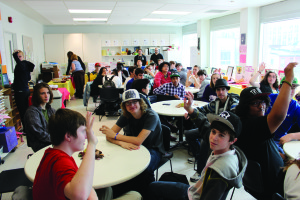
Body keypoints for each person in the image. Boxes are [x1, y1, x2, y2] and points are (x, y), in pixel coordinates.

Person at [147, 105, 247, 200]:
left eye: (221, 135)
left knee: (152, 187)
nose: (214, 138)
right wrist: (191, 110)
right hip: (196, 190)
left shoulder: (220, 171)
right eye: (213, 131)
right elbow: (204, 126)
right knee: (164, 180)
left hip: (194, 196)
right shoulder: (226, 148)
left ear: (232, 141)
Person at [234, 62, 298, 199]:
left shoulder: (242, 121)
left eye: (263, 101)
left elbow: (265, 147)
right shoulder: (251, 125)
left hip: (260, 180)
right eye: (255, 103)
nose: (261, 106)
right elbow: (279, 116)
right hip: (274, 184)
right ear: (245, 106)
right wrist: (288, 80)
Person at [100, 89, 165, 198]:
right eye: (128, 103)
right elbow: (108, 136)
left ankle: (146, 194)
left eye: (134, 102)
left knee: (144, 170)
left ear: (140, 102)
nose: (132, 105)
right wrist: (121, 143)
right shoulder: (127, 115)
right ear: (124, 106)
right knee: (120, 165)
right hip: (134, 147)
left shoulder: (151, 116)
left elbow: (138, 140)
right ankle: (131, 192)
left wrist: (115, 136)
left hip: (153, 149)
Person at [32, 109, 105, 199]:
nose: (86, 136)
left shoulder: (52, 153)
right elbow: (80, 196)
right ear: (68, 136)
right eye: (83, 131)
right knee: (106, 191)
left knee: (104, 190)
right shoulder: (61, 162)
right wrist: (91, 144)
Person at [186, 79, 240, 182]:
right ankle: (199, 157)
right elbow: (202, 110)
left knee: (204, 142)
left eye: (223, 89)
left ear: (227, 90)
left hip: (224, 135)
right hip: (213, 130)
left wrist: (213, 122)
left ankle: (199, 171)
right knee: (189, 134)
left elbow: (233, 116)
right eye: (218, 90)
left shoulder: (233, 102)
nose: (220, 92)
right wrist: (190, 111)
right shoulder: (215, 103)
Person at [265, 76, 300, 154]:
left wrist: (292, 136)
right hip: (262, 135)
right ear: (280, 88)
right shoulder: (269, 98)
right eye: (288, 87)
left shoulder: (296, 108)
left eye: (293, 88)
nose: (291, 91)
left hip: (279, 140)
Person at [24, 82, 55, 152]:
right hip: (40, 144)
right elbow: (39, 133)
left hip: (51, 141)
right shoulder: (32, 112)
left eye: (48, 93)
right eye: (43, 93)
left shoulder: (50, 109)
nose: (46, 96)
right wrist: (56, 140)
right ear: (37, 95)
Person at [13, 50, 35, 127]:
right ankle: (27, 128)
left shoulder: (21, 65)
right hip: (25, 89)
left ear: (23, 57)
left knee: (23, 112)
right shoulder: (26, 64)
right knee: (25, 111)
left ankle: (26, 129)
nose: (18, 58)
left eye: (20, 56)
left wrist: (15, 55)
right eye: (17, 57)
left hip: (21, 91)